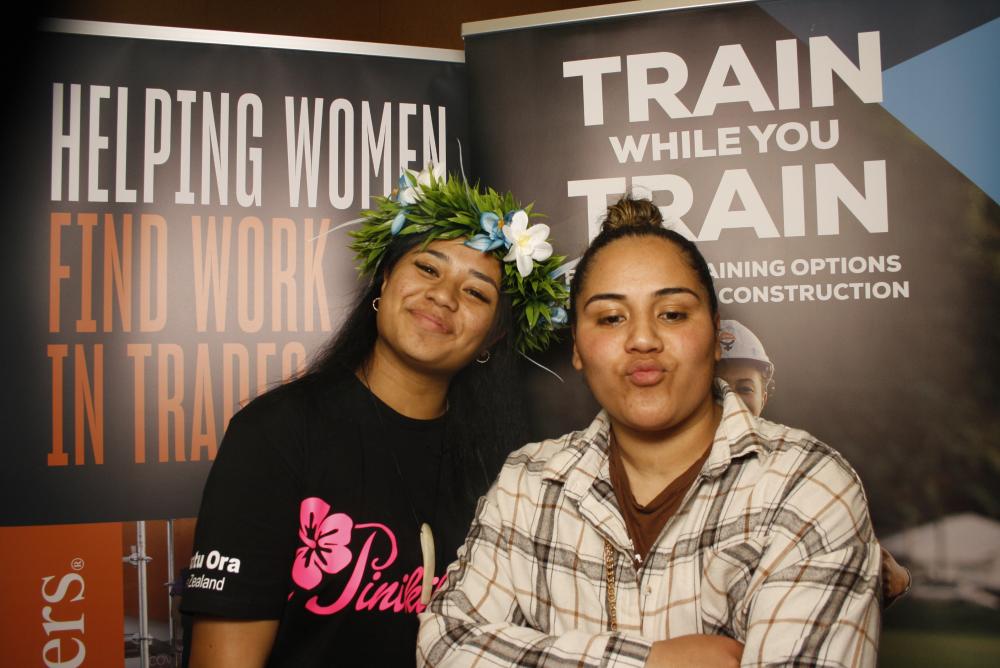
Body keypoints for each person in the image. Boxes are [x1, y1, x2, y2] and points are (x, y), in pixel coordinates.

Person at [418, 197, 881, 667]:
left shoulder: (805, 486)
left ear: (716, 334)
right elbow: (444, 645)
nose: (642, 339)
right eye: (611, 318)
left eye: (672, 314)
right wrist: (653, 662)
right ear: (576, 346)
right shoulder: (529, 483)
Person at [180, 165, 569, 667]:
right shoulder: (275, 433)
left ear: (493, 336)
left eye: (476, 292)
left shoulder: (508, 469)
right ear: (384, 280)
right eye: (427, 268)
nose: (443, 296)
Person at [716, 318, 911, 606]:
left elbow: (858, 567)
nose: (730, 399)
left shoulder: (802, 469)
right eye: (716, 387)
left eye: (745, 388)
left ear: (764, 396)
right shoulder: (659, 465)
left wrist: (891, 576)